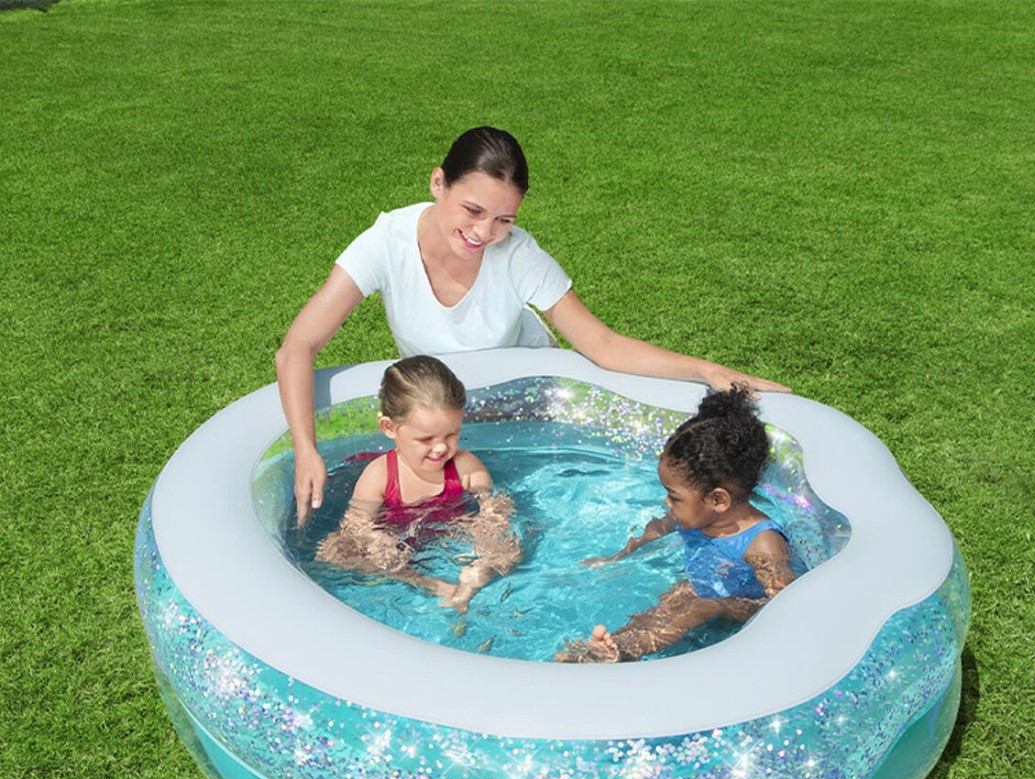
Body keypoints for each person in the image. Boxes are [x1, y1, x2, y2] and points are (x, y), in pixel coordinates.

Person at [277, 126, 790, 524]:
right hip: (441, 415)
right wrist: (306, 449)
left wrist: (705, 370)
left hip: (524, 406)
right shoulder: (387, 244)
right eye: (473, 210)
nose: (484, 232)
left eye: (504, 219)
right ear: (438, 183)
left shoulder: (518, 256)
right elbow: (298, 346)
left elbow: (602, 344)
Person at [557, 387, 796, 662]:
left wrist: (722, 607)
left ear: (718, 500)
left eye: (674, 496)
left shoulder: (762, 543)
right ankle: (609, 649)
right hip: (697, 586)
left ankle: (619, 655)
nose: (667, 502)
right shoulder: (695, 515)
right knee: (668, 603)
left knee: (694, 609)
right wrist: (618, 557)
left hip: (726, 609)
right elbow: (657, 529)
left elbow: (784, 605)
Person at [316, 356, 519, 613]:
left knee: (509, 547)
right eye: (426, 439)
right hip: (396, 547)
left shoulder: (466, 468)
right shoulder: (379, 475)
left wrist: (488, 535)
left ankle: (470, 584)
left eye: (452, 434)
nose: (441, 447)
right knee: (335, 552)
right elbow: (356, 525)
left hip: (450, 538)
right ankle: (428, 584)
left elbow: (494, 512)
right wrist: (377, 541)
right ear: (389, 428)